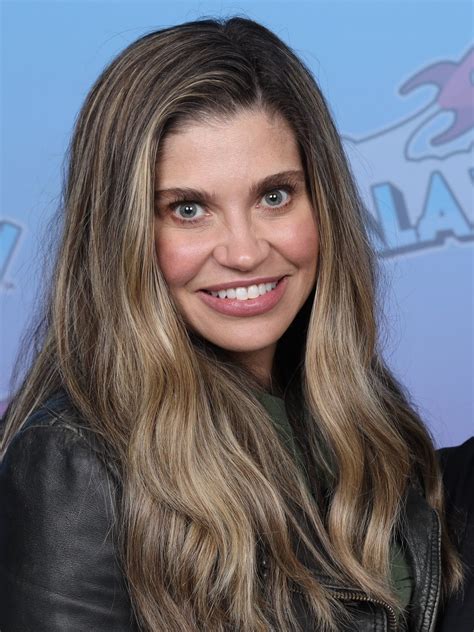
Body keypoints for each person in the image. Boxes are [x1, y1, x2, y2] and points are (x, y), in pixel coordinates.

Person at [0, 16, 470, 632]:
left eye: (274, 196)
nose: (244, 253)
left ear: (322, 202)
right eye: (188, 209)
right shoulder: (74, 463)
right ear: (122, 236)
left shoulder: (360, 418)